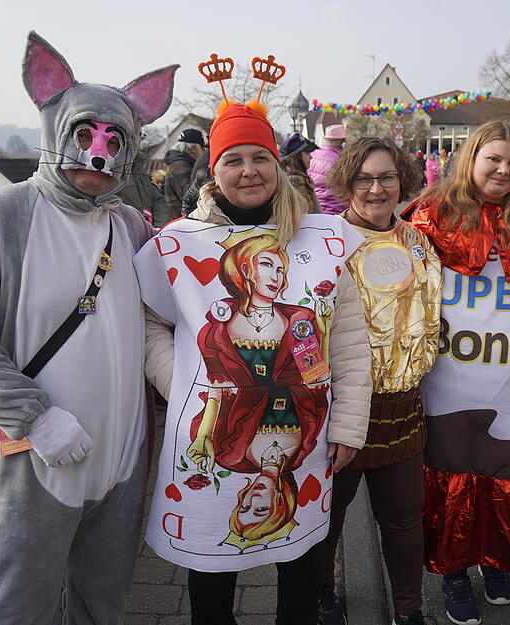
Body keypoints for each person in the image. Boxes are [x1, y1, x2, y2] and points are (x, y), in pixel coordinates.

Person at [0, 32, 175, 623]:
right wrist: (34, 415)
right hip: (34, 460)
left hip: (120, 463)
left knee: (102, 605)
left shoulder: (131, 229)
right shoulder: (1, 216)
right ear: (56, 128)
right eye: (85, 135)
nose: (99, 152)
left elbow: (155, 322)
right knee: (19, 608)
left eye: (117, 140)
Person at [136, 74, 372, 625]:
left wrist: (347, 426)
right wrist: (184, 384)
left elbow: (351, 341)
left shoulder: (324, 240)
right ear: (213, 171)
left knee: (301, 580)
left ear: (275, 161)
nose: (249, 171)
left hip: (303, 437)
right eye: (233, 159)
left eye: (259, 157)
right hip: (217, 434)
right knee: (212, 590)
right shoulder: (175, 245)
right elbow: (149, 326)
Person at [405, 120, 510, 625]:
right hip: (449, 377)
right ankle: (453, 571)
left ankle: (495, 559)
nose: (502, 169)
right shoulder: (430, 214)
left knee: (504, 472)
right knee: (450, 474)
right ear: (471, 158)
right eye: (492, 158)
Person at [317, 137, 442, 625]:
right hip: (339, 409)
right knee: (327, 518)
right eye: (364, 178)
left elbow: (432, 317)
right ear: (347, 182)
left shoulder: (417, 242)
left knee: (405, 519)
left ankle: (409, 612)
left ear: (402, 181)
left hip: (401, 409)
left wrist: (416, 371)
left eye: (386, 177)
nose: (376, 188)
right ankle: (322, 592)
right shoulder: (323, 242)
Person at [163, 128, 205, 221]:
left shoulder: (182, 164)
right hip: (181, 222)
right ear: (194, 149)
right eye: (203, 148)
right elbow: (190, 197)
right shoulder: (180, 167)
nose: (204, 152)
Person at [118, 152, 169, 226]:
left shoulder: (137, 166)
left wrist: (158, 228)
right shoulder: (111, 170)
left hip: (149, 231)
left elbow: (157, 199)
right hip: (126, 232)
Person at [308, 124, 349, 214]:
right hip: (337, 211)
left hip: (316, 209)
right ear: (342, 143)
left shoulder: (311, 156)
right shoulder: (342, 161)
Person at [279, 133, 321, 214]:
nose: (311, 157)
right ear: (296, 156)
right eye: (307, 153)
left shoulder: (296, 180)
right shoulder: (296, 185)